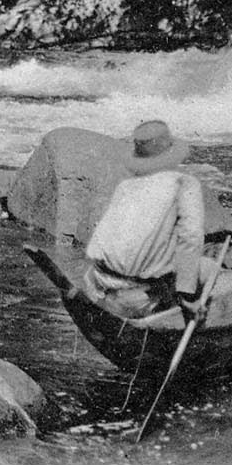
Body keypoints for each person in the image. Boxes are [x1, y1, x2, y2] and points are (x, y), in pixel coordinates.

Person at [84, 120, 219, 322]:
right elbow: (190, 238)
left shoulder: (125, 186)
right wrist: (187, 297)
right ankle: (176, 311)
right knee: (210, 267)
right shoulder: (184, 184)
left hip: (97, 289)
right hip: (137, 300)